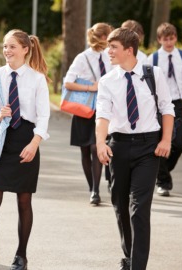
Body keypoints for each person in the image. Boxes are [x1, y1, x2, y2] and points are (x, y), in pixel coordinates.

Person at [96, 28, 174, 269]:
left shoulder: (154, 74)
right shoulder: (108, 81)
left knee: (139, 208)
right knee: (120, 205)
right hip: (117, 146)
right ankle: (128, 256)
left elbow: (167, 108)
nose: (108, 51)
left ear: (129, 50)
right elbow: (103, 114)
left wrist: (166, 140)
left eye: (113, 47)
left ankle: (138, 265)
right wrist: (100, 143)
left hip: (148, 147)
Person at [0, 29, 50, 270]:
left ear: (26, 49)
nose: (7, 51)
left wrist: (34, 144)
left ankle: (21, 257)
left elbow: (43, 116)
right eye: (5, 46)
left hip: (27, 140)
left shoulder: (37, 79)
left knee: (24, 201)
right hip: (1, 140)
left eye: (12, 46)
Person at [64, 22, 113, 205]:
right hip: (84, 109)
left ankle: (95, 190)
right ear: (103, 37)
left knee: (95, 147)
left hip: (104, 108)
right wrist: (90, 87)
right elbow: (68, 83)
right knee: (85, 150)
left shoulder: (110, 56)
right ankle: (92, 186)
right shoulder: (82, 58)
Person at [146, 22, 182, 197]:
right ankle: (163, 182)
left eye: (172, 38)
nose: (169, 42)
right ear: (159, 39)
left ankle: (163, 170)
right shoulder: (152, 59)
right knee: (159, 141)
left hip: (177, 102)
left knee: (179, 143)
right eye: (165, 39)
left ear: (176, 37)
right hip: (158, 104)